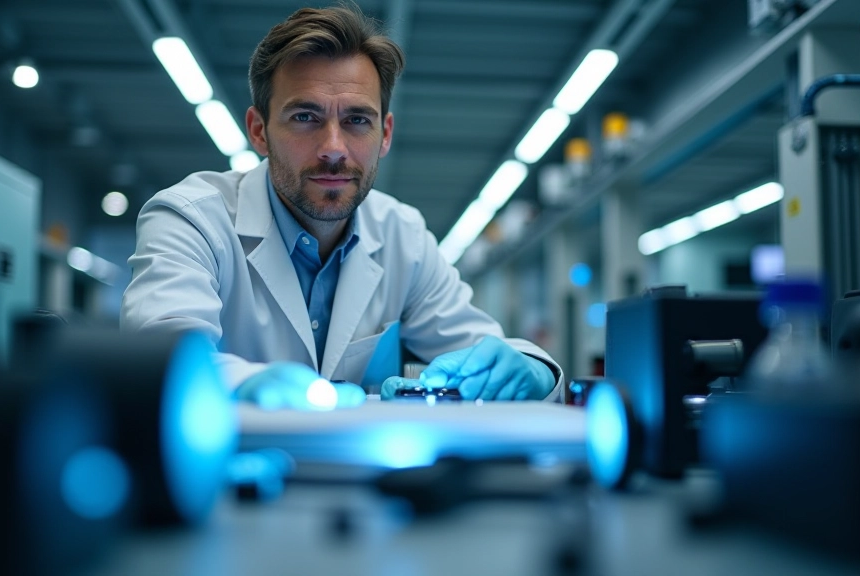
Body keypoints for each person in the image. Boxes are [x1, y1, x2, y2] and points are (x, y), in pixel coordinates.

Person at [120, 3, 562, 406]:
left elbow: (486, 348)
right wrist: (246, 387)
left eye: (356, 120)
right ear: (258, 131)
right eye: (305, 117)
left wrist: (535, 372)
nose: (333, 148)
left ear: (384, 134)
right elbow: (161, 355)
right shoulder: (190, 219)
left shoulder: (402, 235)